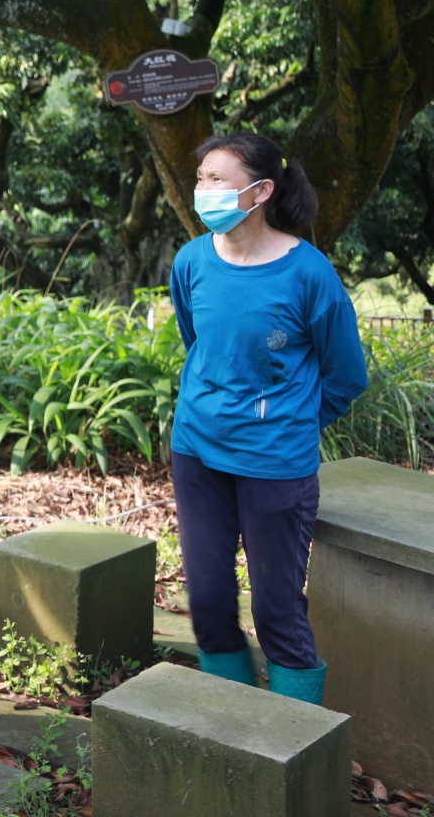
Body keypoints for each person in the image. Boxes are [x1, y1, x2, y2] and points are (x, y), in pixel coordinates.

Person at [169, 132, 366, 704]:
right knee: (206, 599)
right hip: (197, 452)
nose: (202, 189)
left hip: (276, 465)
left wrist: (292, 420)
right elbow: (200, 343)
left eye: (217, 180)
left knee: (276, 607)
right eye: (200, 177)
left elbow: (347, 376)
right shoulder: (191, 261)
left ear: (259, 192)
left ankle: (292, 746)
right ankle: (232, 728)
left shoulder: (309, 274)